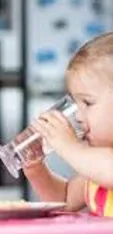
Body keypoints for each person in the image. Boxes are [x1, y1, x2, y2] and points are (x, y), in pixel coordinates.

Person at [25, 32, 113, 217]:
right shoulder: (93, 169)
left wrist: (69, 146)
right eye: (75, 103)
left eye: (87, 103)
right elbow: (63, 200)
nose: (78, 117)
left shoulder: (100, 166)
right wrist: (37, 170)